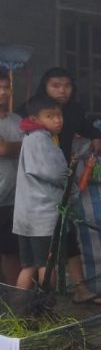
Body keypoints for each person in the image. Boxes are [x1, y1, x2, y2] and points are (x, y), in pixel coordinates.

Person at [25, 67, 101, 305]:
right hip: (39, 188)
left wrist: (95, 135)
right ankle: (32, 302)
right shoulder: (32, 115)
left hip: (62, 181)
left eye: (67, 85)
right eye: (56, 85)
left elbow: (83, 125)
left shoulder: (71, 112)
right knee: (39, 250)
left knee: (67, 236)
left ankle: (79, 289)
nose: (62, 90)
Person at [12, 96, 67, 294]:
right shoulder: (40, 139)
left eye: (59, 115)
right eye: (50, 116)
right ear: (35, 119)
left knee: (29, 266)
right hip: (42, 216)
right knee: (47, 265)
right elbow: (57, 173)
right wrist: (70, 179)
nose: (57, 120)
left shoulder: (29, 136)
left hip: (26, 216)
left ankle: (19, 312)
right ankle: (47, 311)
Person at [0, 74, 23, 285]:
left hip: (12, 199)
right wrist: (19, 147)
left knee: (10, 251)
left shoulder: (16, 121)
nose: (3, 92)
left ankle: (14, 304)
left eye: (6, 87)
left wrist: (11, 148)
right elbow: (2, 148)